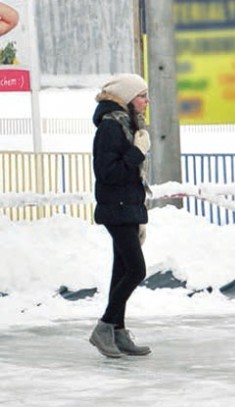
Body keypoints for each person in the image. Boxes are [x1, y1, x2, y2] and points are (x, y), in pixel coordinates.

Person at [88, 73, 152, 358]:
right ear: (127, 98)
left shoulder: (127, 125)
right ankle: (104, 327)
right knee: (136, 270)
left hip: (126, 207)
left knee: (121, 270)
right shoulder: (111, 128)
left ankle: (118, 330)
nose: (146, 102)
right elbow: (108, 173)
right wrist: (137, 152)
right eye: (141, 96)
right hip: (117, 208)